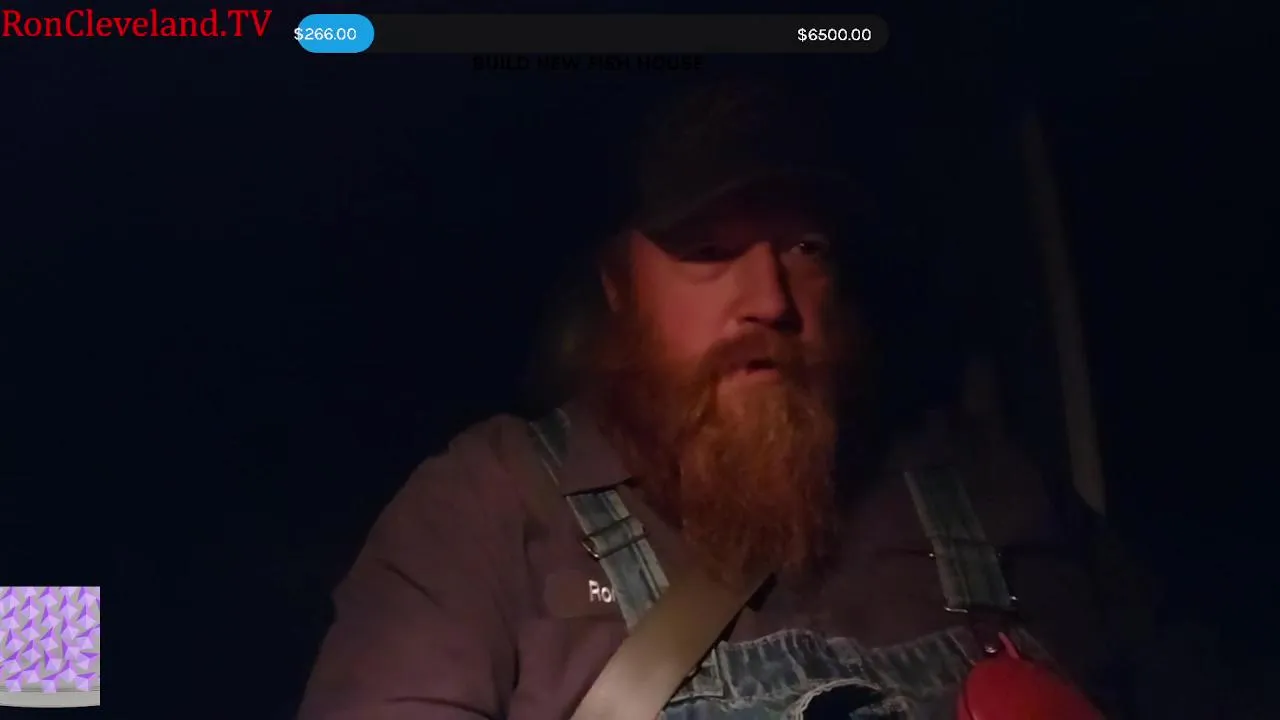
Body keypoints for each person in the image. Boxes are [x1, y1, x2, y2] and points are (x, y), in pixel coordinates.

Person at [298, 78, 1228, 719]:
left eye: (803, 248)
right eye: (708, 252)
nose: (770, 301)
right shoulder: (491, 506)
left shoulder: (991, 481)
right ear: (619, 288)